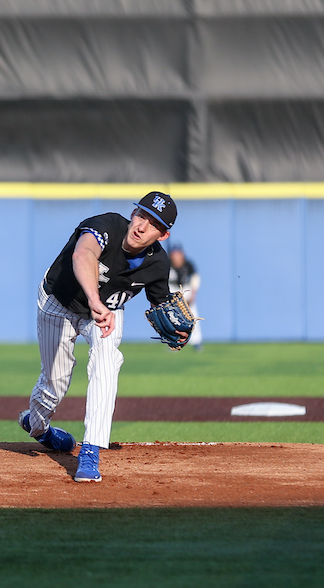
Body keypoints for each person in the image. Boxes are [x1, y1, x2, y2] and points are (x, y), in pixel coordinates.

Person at [18, 191, 187, 483]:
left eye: (153, 223)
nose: (142, 225)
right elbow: (83, 254)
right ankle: (38, 427)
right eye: (141, 214)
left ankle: (91, 449)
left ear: (163, 235)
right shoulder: (106, 225)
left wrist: (180, 331)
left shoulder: (157, 265)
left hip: (105, 314)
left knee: (108, 360)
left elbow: (160, 304)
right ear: (133, 214)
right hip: (59, 303)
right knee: (54, 383)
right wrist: (95, 301)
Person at [167, 243, 203, 351]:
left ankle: (196, 341)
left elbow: (195, 278)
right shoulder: (167, 264)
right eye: (174, 254)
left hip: (186, 290)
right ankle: (173, 342)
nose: (176, 256)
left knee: (193, 316)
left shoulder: (188, 264)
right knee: (171, 318)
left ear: (182, 254)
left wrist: (193, 294)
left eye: (178, 254)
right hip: (172, 289)